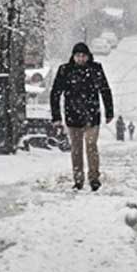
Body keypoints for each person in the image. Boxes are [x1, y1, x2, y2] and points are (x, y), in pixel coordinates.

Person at [49, 42, 114, 191]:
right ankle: (78, 179)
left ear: (88, 56)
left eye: (83, 56)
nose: (81, 58)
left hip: (92, 115)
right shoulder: (65, 70)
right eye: (78, 56)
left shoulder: (95, 69)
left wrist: (109, 112)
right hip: (73, 116)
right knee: (76, 148)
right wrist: (56, 116)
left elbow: (105, 90)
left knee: (91, 146)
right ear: (73, 56)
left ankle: (94, 178)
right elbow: (55, 93)